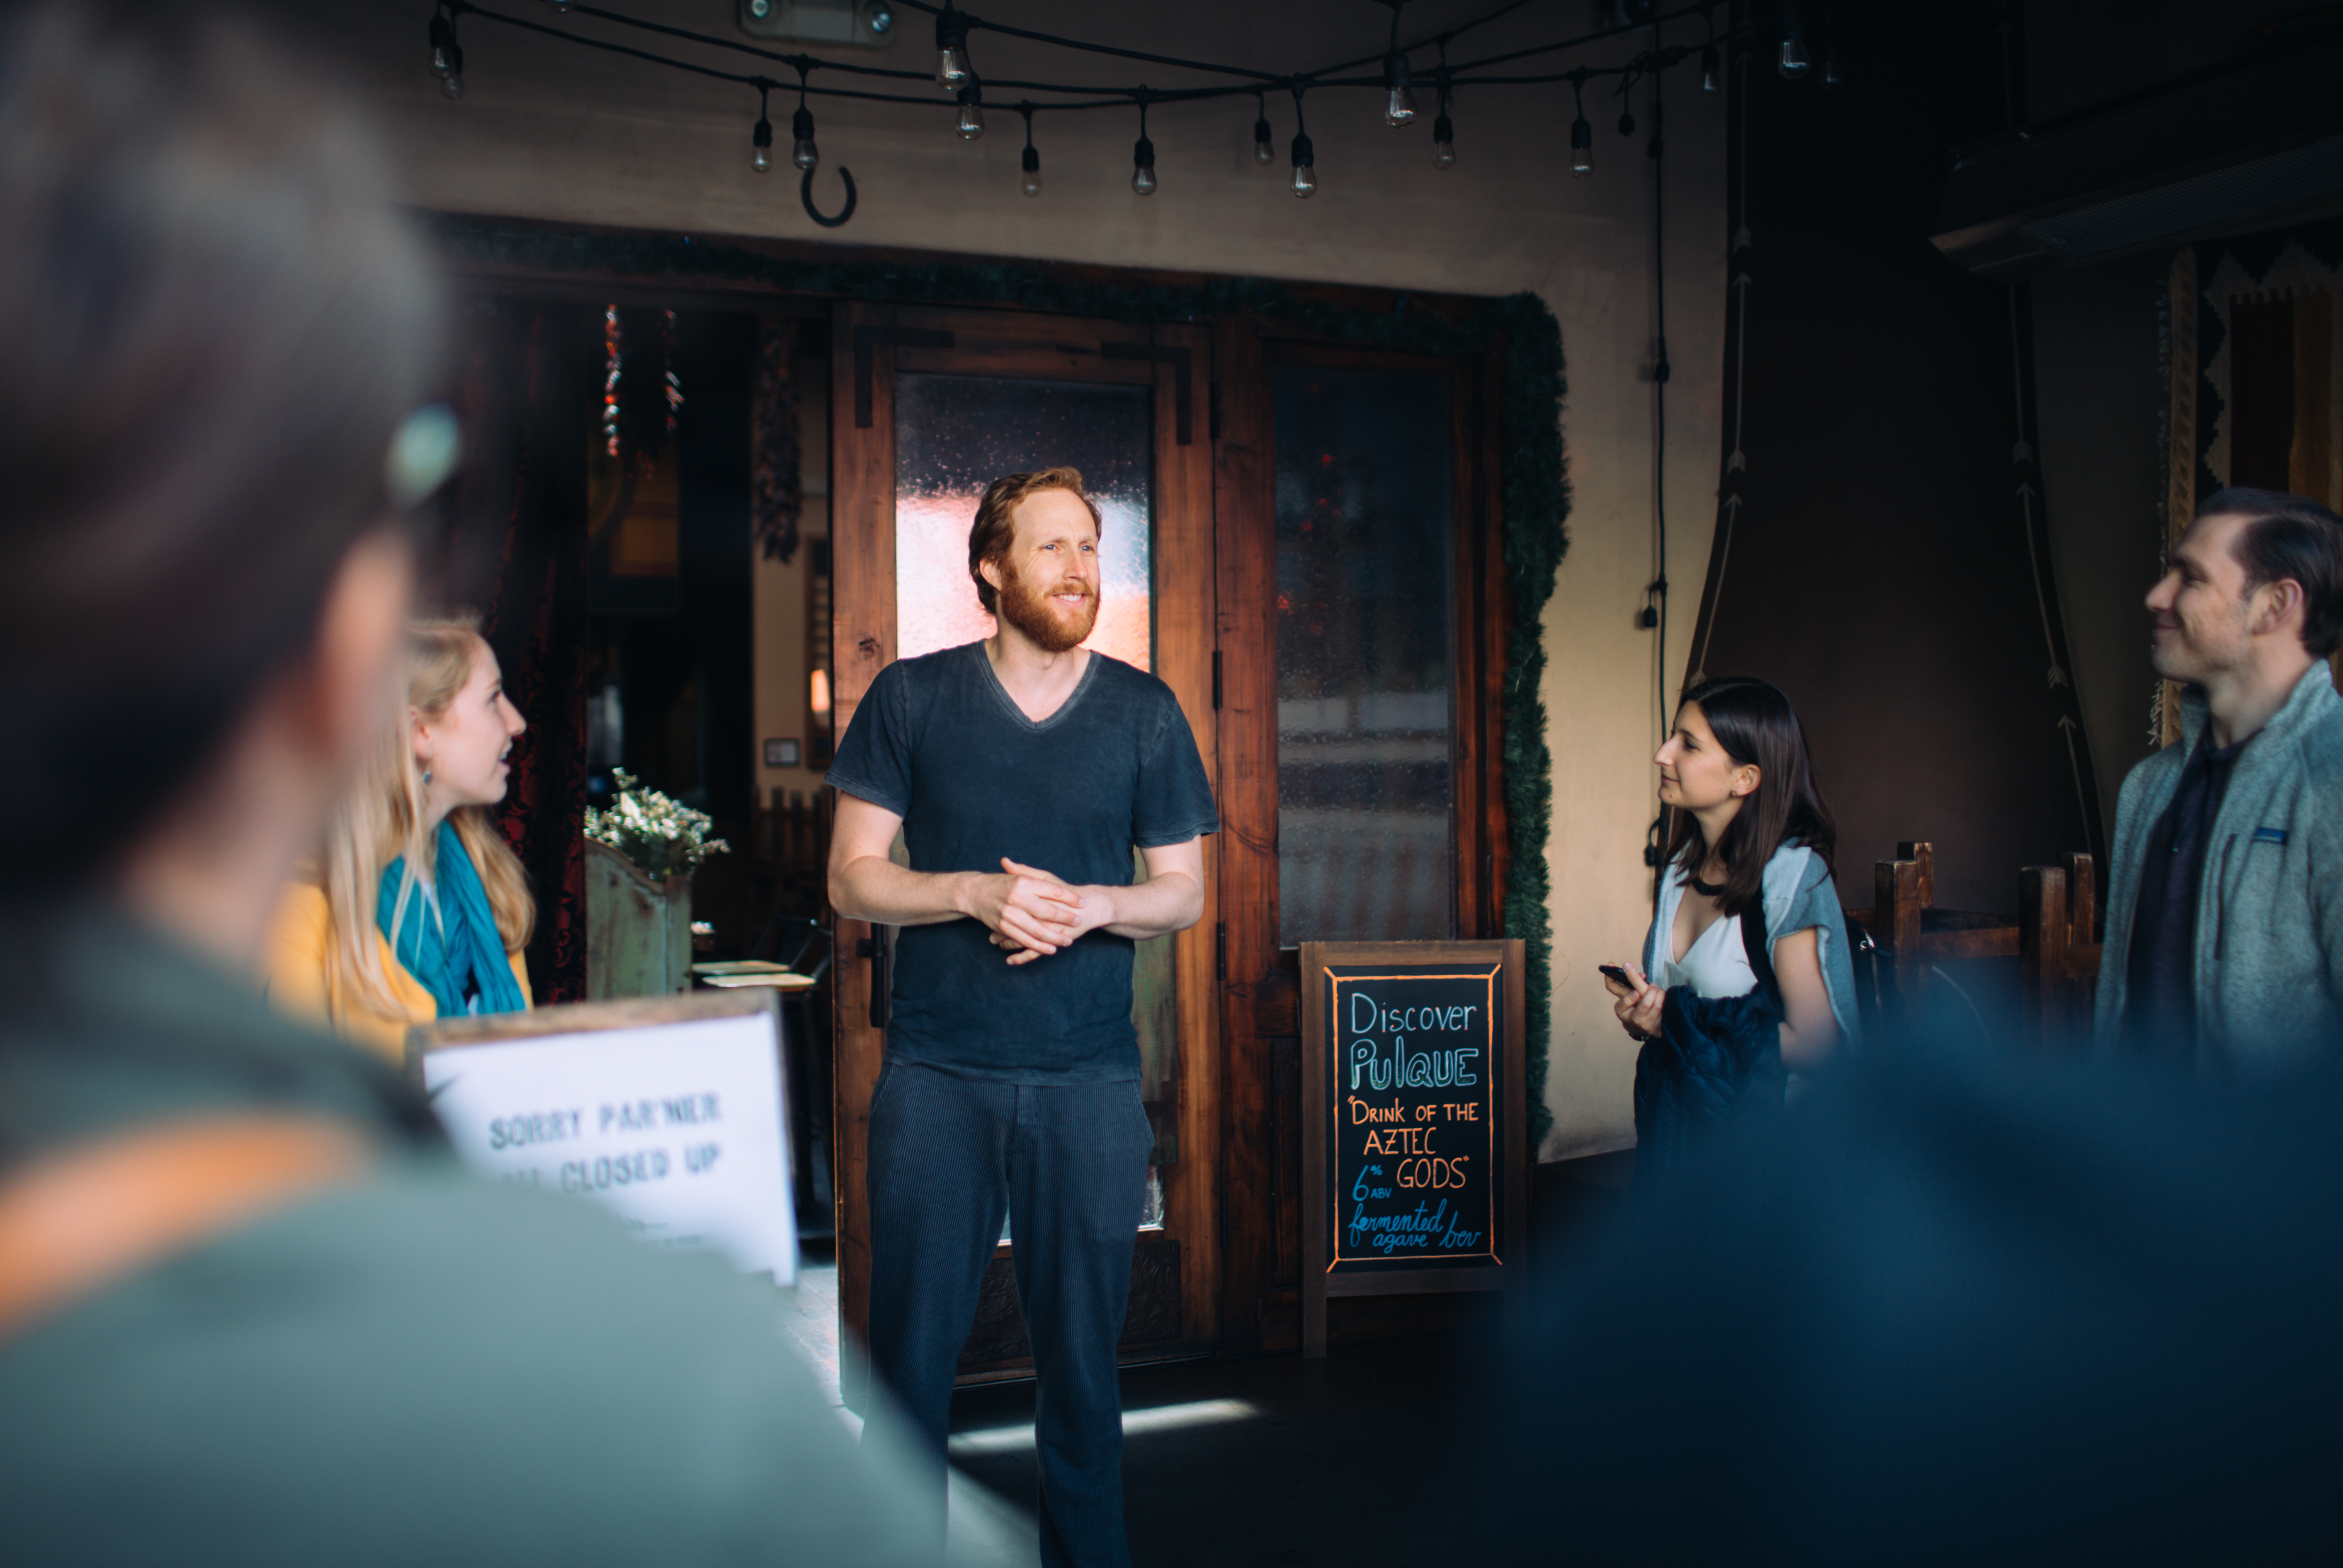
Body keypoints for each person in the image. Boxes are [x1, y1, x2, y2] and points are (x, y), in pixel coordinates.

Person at [0, 7, 936, 1561]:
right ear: (343, 672)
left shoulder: (479, 886)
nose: (516, 723)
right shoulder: (667, 1406)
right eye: (490, 694)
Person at [825, 466, 1217, 1568]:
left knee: (1086, 1379)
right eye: (1051, 547)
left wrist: (1095, 905)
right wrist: (970, 890)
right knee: (906, 1375)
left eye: (1089, 546)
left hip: (1088, 1080)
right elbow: (852, 877)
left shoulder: (1144, 712)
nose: (1079, 566)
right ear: (991, 569)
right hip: (936, 1080)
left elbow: (1182, 890)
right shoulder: (910, 697)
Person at [2098, 488, 2343, 1068]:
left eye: (2190, 576)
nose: (2156, 595)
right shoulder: (2146, 788)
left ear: (2274, 605)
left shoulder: (2331, 784)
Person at [1604, 677, 1860, 1177]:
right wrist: (1646, 1016)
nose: (1662, 753)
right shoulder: (1678, 870)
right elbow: (1680, 1019)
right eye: (1671, 736)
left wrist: (1676, 1020)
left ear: (1744, 778)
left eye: (1688, 744)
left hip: (1769, 1163)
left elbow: (1817, 1045)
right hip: (1681, 1143)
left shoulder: (1791, 878)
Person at [264, 614, 533, 1060]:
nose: (517, 722)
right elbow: (287, 1102)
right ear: (420, 732)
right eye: (493, 698)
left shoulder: (488, 884)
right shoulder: (306, 903)